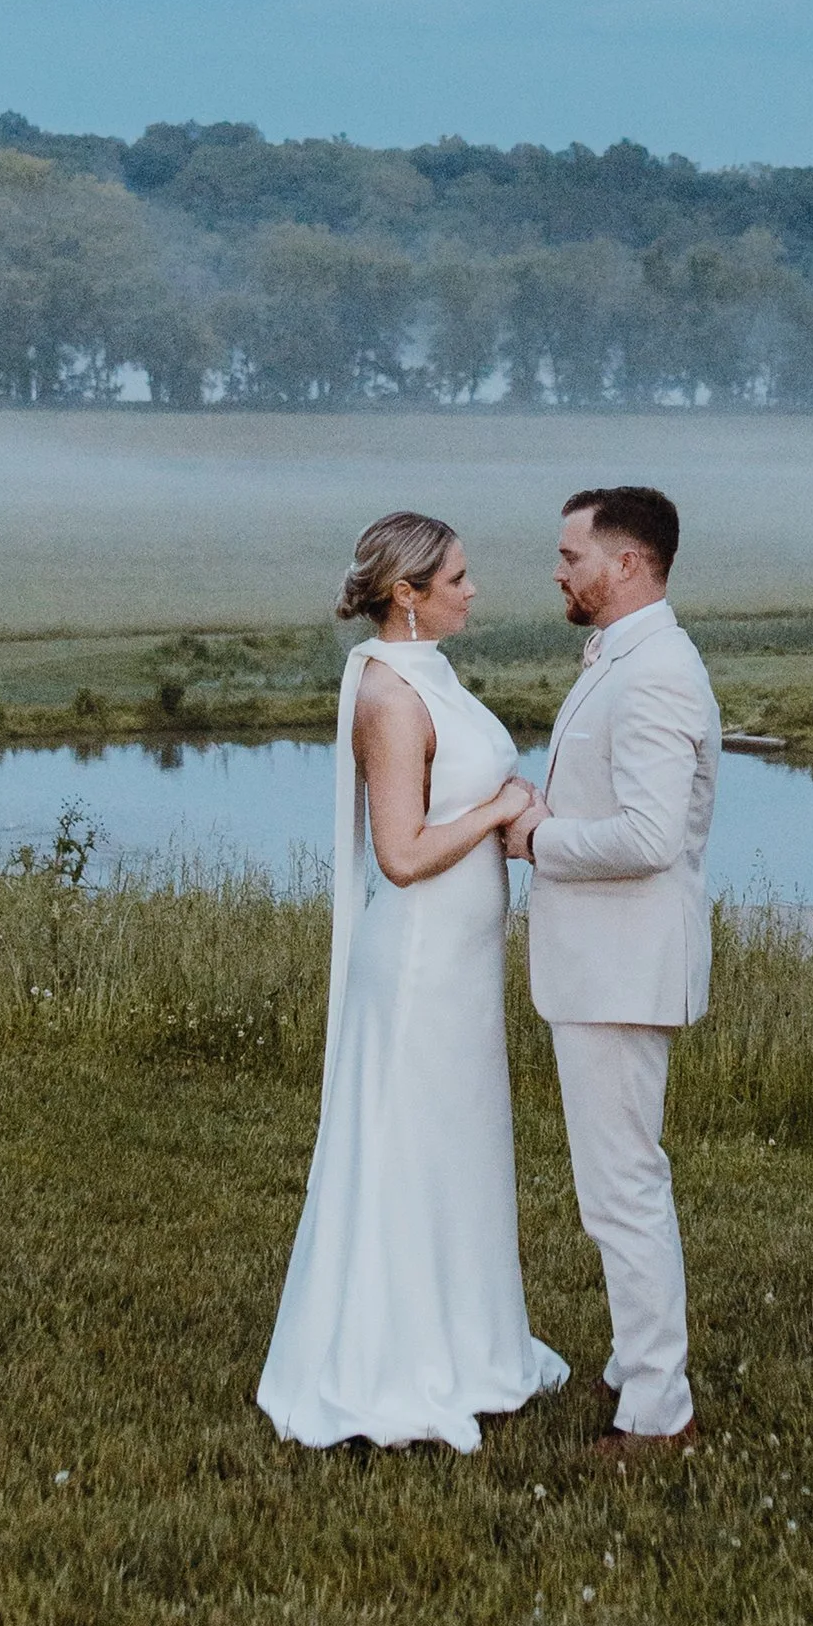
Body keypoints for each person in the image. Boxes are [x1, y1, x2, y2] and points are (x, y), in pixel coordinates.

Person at [256, 510, 569, 1451]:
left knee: (459, 1153)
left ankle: (470, 1342)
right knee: (411, 1151)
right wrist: (500, 812)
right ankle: (392, 1362)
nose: (474, 590)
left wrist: (523, 810)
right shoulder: (389, 698)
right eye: (459, 577)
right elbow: (399, 853)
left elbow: (467, 792)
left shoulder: (435, 675)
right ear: (409, 596)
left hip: (463, 967)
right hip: (421, 966)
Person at [502, 484, 721, 1459]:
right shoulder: (623, 659)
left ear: (626, 563)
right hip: (607, 964)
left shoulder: (658, 672)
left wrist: (538, 836)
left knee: (623, 1187)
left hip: (624, 967)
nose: (558, 571)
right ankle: (637, 1367)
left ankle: (656, 1412)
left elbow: (646, 836)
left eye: (570, 555)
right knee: (618, 1183)